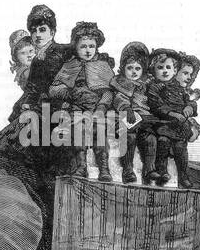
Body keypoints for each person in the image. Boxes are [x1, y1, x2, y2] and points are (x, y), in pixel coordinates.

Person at [49, 21, 115, 181]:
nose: (87, 50)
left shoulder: (102, 66)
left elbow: (109, 91)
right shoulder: (70, 66)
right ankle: (81, 166)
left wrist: (101, 107)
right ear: (76, 47)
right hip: (76, 108)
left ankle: (104, 169)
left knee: (100, 134)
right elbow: (54, 89)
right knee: (77, 132)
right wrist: (68, 93)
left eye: (91, 46)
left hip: (97, 109)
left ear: (96, 46)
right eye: (83, 46)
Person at [145, 48, 195, 188]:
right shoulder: (154, 87)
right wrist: (173, 114)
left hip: (179, 127)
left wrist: (189, 108)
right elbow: (156, 105)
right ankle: (162, 172)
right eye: (160, 68)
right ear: (153, 70)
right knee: (163, 141)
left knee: (180, 147)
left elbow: (190, 101)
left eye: (168, 67)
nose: (165, 71)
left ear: (175, 71)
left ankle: (183, 177)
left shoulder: (179, 88)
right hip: (163, 124)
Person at [111, 41, 153, 184]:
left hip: (144, 119)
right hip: (126, 117)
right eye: (130, 68)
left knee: (149, 139)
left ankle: (149, 170)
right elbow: (119, 99)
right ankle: (127, 169)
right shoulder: (121, 83)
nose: (134, 71)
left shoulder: (147, 85)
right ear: (123, 69)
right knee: (128, 136)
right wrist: (127, 109)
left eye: (137, 68)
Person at [177, 52, 200, 143]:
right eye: (185, 73)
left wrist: (190, 106)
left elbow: (190, 101)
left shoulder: (185, 91)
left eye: (191, 75)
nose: (189, 78)